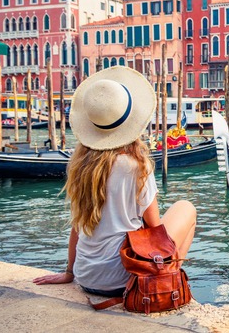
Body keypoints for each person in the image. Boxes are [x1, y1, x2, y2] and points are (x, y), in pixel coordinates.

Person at [33, 67, 196, 297]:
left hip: (86, 277)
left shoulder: (80, 166)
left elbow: (77, 227)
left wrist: (69, 272)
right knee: (186, 208)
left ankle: (162, 279)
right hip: (124, 278)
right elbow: (154, 228)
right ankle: (162, 281)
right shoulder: (137, 166)